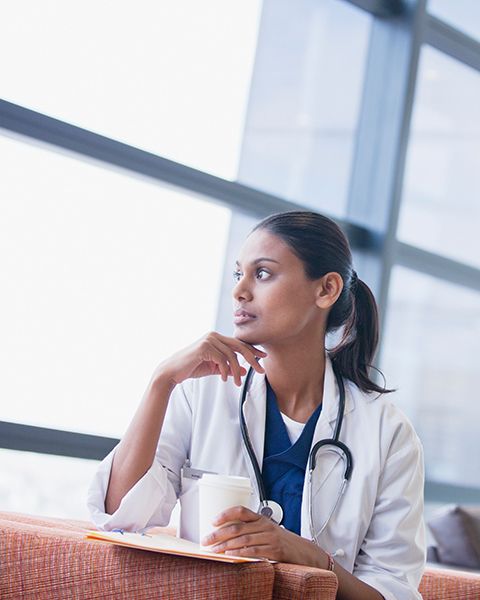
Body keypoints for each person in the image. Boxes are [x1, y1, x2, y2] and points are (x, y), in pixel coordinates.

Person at [88, 211, 426, 600]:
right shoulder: (201, 395)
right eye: (238, 275)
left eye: (262, 273)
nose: (239, 291)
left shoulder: (387, 433)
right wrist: (161, 382)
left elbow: (394, 592)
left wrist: (312, 558)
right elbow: (119, 518)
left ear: (326, 290)